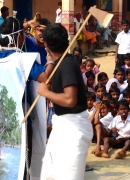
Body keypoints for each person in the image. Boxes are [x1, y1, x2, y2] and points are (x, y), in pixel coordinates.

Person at [0, 17, 55, 180]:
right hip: (23, 121)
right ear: (20, 36)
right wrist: (50, 60)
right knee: (22, 168)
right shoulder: (22, 60)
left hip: (1, 121)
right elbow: (44, 78)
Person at [37, 23, 93, 180]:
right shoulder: (59, 63)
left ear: (46, 44)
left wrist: (46, 92)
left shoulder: (66, 64)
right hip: (62, 125)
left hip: (73, 128)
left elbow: (70, 99)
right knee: (50, 175)